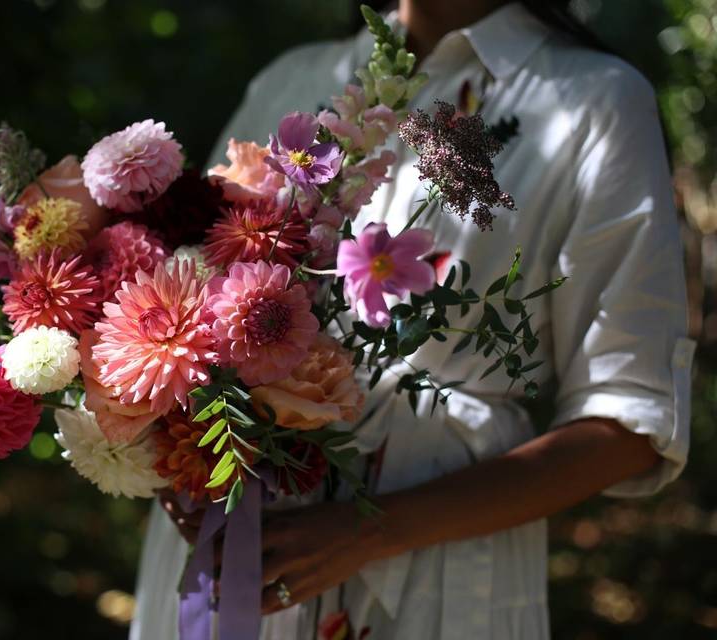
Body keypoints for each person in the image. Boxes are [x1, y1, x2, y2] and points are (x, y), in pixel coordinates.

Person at [130, 1, 695, 638]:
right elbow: (179, 293)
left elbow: (628, 422)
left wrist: (372, 528)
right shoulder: (290, 80)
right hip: (226, 544)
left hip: (432, 578)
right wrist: (172, 464)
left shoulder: (596, 103)